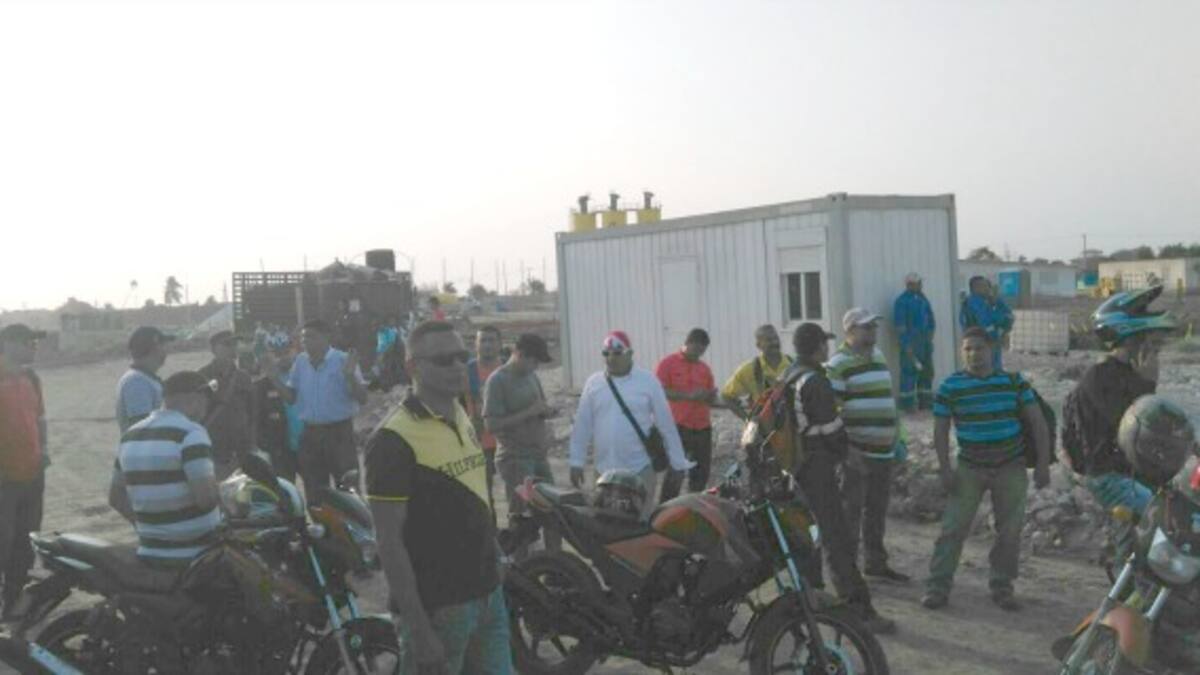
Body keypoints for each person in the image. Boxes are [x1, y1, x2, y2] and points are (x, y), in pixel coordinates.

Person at [365, 321, 513, 674]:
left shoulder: (460, 412)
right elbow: (388, 542)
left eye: (461, 356)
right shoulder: (391, 440)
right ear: (412, 367)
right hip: (439, 609)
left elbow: (476, 497)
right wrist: (418, 629)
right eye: (444, 360)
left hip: (487, 596)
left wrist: (495, 555)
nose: (458, 366)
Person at [922, 327, 1050, 611]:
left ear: (992, 350)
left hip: (1010, 466)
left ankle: (1002, 587)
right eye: (967, 349)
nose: (973, 354)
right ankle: (937, 587)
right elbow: (940, 431)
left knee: (1009, 532)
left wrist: (1043, 464)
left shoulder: (1014, 383)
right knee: (953, 528)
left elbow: (1038, 423)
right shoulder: (950, 387)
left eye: (979, 348)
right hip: (970, 467)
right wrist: (945, 469)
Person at [789, 323, 896, 635]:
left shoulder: (790, 375)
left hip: (796, 466)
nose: (827, 348)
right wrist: (847, 455)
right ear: (818, 347)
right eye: (824, 343)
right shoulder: (814, 380)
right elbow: (830, 428)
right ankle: (858, 608)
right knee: (836, 537)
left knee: (808, 533)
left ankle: (810, 596)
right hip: (816, 467)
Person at [1069, 286, 1177, 518]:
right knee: (1161, 517)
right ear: (1134, 339)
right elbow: (1132, 425)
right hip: (1108, 476)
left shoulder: (1130, 372)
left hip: (1133, 471)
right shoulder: (1100, 376)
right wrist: (1148, 385)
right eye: (1152, 342)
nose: (1156, 349)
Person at [568, 331, 694, 519]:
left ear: (630, 353)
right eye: (606, 353)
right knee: (603, 524)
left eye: (617, 353)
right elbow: (582, 425)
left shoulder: (648, 382)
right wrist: (576, 461)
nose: (611, 358)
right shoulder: (594, 383)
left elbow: (666, 424)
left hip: (639, 470)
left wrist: (678, 463)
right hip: (604, 472)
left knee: (639, 527)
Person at [826, 309, 909, 583]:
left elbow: (887, 400)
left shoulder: (879, 357)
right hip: (856, 455)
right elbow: (830, 413)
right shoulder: (837, 365)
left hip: (883, 452)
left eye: (874, 327)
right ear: (850, 331)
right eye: (866, 327)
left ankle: (875, 563)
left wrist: (897, 437)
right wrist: (847, 451)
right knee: (850, 513)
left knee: (876, 511)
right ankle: (848, 572)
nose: (873, 332)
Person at [109, 371, 223, 567]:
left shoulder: (130, 436)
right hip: (198, 555)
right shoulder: (191, 433)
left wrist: (151, 529)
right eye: (207, 400)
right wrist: (224, 493)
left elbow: (115, 498)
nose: (207, 407)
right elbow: (206, 500)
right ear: (196, 398)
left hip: (149, 553)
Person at [263, 319, 368, 500]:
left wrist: (350, 376)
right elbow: (291, 398)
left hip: (339, 435)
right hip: (310, 435)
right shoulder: (300, 362)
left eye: (311, 337)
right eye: (303, 338)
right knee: (315, 492)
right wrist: (274, 379)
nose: (305, 342)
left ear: (327, 337)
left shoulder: (343, 360)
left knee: (349, 491)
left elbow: (363, 398)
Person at [483, 334, 556, 534]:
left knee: (554, 512)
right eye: (534, 361)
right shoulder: (498, 381)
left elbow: (539, 406)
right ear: (520, 354)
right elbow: (491, 425)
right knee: (523, 518)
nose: (536, 367)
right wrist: (528, 412)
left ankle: (554, 553)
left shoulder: (531, 376)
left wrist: (545, 412)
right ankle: (520, 553)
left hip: (538, 456)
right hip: (516, 459)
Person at [0, 324, 48, 617]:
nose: (34, 347)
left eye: (34, 342)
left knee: (26, 541)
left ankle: (12, 602)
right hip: (4, 479)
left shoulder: (32, 378)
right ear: (7, 343)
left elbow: (40, 418)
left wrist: (45, 450)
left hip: (32, 474)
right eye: (28, 341)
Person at [656, 328, 718, 501]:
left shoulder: (704, 369)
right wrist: (688, 396)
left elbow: (710, 398)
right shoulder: (668, 363)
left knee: (701, 474)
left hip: (702, 427)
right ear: (687, 343)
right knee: (676, 473)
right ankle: (666, 509)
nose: (698, 354)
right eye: (696, 349)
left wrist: (710, 396)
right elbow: (658, 391)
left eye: (702, 351)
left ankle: (691, 508)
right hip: (678, 426)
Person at [197, 331, 255, 480]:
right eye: (227, 344)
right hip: (215, 446)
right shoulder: (202, 377)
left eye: (235, 344)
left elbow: (252, 413)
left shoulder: (243, 377)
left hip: (242, 447)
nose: (232, 348)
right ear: (213, 349)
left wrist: (252, 443)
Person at [467, 326, 504, 514]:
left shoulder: (508, 369)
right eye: (483, 340)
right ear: (475, 344)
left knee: (519, 493)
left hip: (508, 441)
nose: (487, 345)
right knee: (482, 495)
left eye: (491, 340)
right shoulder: (466, 372)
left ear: (500, 344)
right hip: (479, 443)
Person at [254, 338, 301, 483]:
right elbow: (256, 422)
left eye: (286, 352)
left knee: (316, 491)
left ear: (294, 352)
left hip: (308, 445)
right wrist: (267, 447)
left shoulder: (305, 377)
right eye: (277, 353)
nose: (282, 357)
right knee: (284, 490)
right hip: (280, 449)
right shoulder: (261, 386)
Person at [721, 324, 793, 419]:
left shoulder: (792, 365)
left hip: (791, 424)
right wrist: (747, 418)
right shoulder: (748, 369)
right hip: (764, 426)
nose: (774, 342)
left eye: (776, 338)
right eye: (769, 340)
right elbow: (726, 396)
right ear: (758, 345)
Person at [116, 326, 174, 433]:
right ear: (155, 348)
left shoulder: (145, 378)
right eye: (163, 345)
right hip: (145, 443)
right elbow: (142, 429)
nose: (167, 350)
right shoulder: (137, 382)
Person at [893, 272, 936, 412]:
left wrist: (930, 335)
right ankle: (907, 404)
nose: (921, 285)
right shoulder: (901, 301)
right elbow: (900, 326)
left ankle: (926, 402)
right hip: (911, 342)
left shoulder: (923, 299)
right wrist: (906, 345)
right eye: (918, 283)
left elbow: (930, 318)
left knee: (926, 372)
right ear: (910, 284)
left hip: (925, 342)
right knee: (909, 372)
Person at [959, 276, 1013, 370]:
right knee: (987, 370)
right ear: (976, 288)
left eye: (988, 286)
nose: (988, 289)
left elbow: (1009, 316)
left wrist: (997, 301)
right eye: (985, 286)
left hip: (988, 344)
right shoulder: (975, 303)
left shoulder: (984, 302)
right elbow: (989, 321)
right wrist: (999, 334)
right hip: (983, 343)